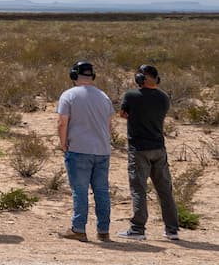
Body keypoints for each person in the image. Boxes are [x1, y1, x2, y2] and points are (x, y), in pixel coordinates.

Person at [119, 64, 180, 241]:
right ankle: (172, 229)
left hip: (139, 149)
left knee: (139, 188)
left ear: (141, 79)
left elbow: (123, 114)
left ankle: (138, 228)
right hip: (159, 149)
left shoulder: (131, 95)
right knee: (165, 190)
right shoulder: (163, 97)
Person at [57, 60, 115, 242]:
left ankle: (78, 228)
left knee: (80, 190)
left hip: (79, 149)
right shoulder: (103, 96)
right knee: (101, 191)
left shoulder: (69, 95)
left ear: (74, 76)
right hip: (102, 150)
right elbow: (108, 125)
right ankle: (103, 230)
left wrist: (63, 142)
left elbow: (62, 122)